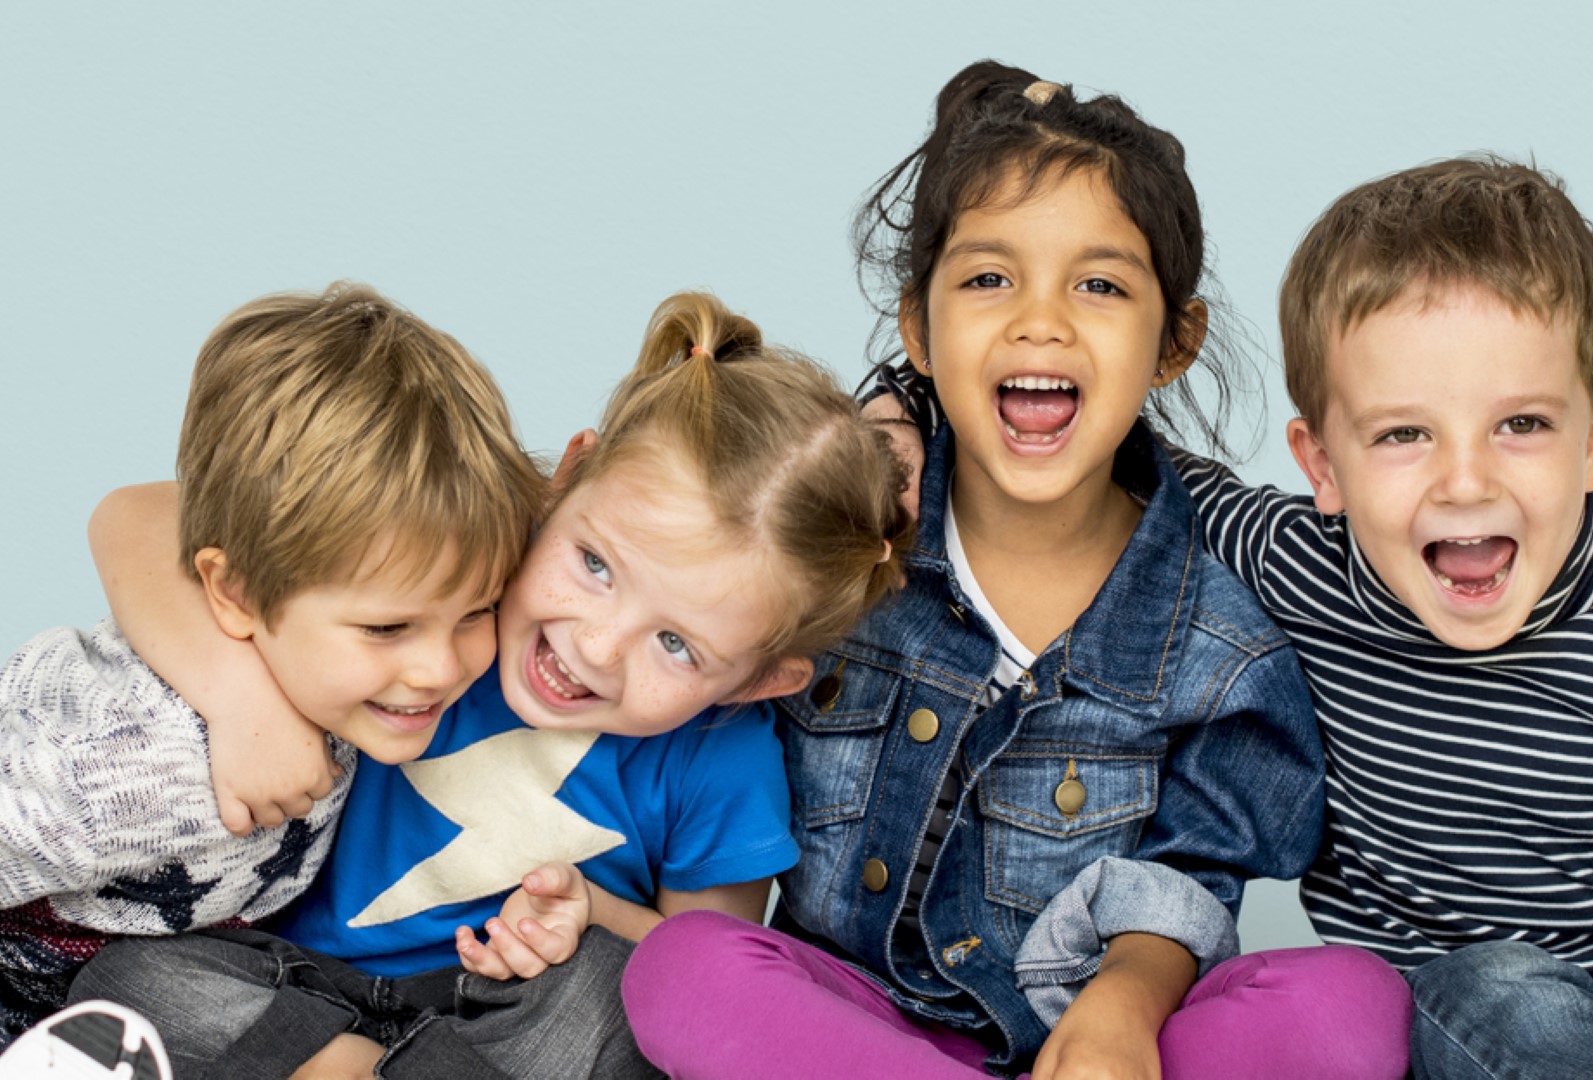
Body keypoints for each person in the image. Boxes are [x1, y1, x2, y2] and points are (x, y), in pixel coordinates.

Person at [621, 62, 1413, 1080]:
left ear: (1175, 342)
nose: (1041, 321)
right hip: (852, 1020)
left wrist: (1124, 1010)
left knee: (1347, 1004)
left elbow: (1188, 878)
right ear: (920, 325)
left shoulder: (1216, 646)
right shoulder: (842, 547)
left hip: (1098, 1048)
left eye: (1100, 284)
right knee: (685, 969)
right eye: (990, 278)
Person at [877, 152, 1593, 1078]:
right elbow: (1092, 428)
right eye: (1403, 434)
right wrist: (901, 404)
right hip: (1378, 1034)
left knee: (1501, 991)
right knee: (1381, 996)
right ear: (1321, 465)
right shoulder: (1293, 564)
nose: (1466, 480)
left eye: (1520, 424)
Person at [67, 292, 913, 1079]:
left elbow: (705, 981)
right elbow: (136, 517)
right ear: (563, 480)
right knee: (133, 975)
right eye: (594, 565)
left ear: (763, 679)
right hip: (291, 976)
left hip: (503, 1019)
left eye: (675, 644)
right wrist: (243, 702)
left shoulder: (723, 765)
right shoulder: (458, 552)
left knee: (610, 1009)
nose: (595, 645)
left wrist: (592, 911)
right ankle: (339, 1063)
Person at [0, 283, 543, 1049]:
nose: (439, 669)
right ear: (236, 591)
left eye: (478, 610)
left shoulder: (338, 667)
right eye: (387, 627)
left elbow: (149, 509)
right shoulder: (143, 767)